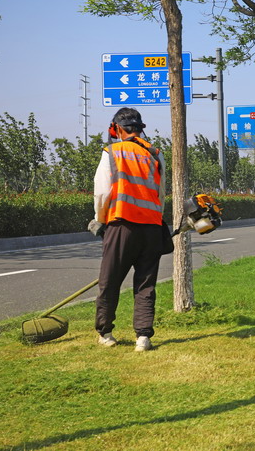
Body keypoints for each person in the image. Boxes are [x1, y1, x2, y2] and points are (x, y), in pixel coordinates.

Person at [92, 107, 166, 351]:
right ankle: (143, 337)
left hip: (121, 224)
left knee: (109, 280)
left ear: (116, 129)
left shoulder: (112, 152)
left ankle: (106, 333)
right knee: (145, 284)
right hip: (151, 227)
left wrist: (99, 220)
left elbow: (102, 192)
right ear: (140, 128)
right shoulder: (155, 154)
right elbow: (161, 194)